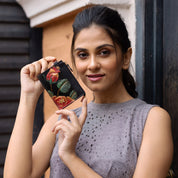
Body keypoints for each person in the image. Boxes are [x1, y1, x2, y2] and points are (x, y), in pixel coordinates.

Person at [4, 5, 173, 178]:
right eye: (83, 55)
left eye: (104, 52)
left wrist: (70, 157)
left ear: (126, 57)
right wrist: (28, 97)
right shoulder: (61, 120)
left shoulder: (151, 120)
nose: (92, 65)